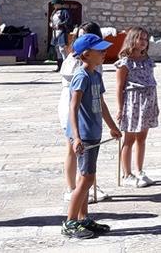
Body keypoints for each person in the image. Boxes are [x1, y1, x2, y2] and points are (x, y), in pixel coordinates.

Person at [63, 33, 122, 240]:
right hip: (85, 135)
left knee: (87, 177)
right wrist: (76, 137)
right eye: (100, 50)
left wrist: (112, 127)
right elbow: (73, 106)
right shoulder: (82, 76)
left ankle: (83, 217)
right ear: (86, 55)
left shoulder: (96, 74)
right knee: (86, 178)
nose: (105, 53)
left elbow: (101, 104)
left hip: (94, 133)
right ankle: (70, 221)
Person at [58, 21, 110, 204]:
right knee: (73, 147)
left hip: (90, 107)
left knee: (88, 154)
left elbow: (99, 97)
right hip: (74, 105)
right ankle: (73, 188)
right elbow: (75, 98)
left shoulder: (95, 63)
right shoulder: (76, 65)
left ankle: (86, 184)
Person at [116, 27, 159, 188]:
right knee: (129, 139)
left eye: (146, 39)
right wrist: (120, 108)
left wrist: (155, 104)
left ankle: (139, 170)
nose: (143, 42)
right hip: (133, 102)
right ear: (132, 39)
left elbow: (151, 80)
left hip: (148, 102)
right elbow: (119, 87)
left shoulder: (148, 60)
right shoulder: (125, 62)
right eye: (140, 39)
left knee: (142, 138)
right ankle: (127, 173)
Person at [50, 0, 71, 73]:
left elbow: (68, 21)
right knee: (57, 49)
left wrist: (59, 25)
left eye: (56, 4)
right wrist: (51, 24)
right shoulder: (54, 12)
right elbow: (52, 20)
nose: (54, 5)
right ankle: (59, 66)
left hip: (62, 31)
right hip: (55, 32)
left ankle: (66, 67)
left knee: (62, 49)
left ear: (60, 4)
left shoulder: (65, 12)